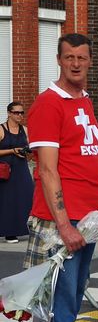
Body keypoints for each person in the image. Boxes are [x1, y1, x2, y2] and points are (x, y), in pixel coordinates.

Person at [24, 33, 98, 322]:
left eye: (82, 58)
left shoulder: (85, 101)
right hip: (62, 222)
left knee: (64, 306)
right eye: (69, 57)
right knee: (56, 309)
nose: (75, 63)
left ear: (90, 62)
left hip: (84, 221)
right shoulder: (49, 103)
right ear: (59, 60)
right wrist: (64, 224)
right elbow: (46, 169)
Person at [0, 102, 33, 243]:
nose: (19, 115)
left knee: (26, 195)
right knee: (7, 200)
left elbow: (30, 149)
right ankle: (9, 232)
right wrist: (12, 151)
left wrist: (27, 152)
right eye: (16, 113)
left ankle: (23, 228)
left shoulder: (24, 130)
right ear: (9, 113)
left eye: (21, 113)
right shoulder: (1, 129)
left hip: (21, 168)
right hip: (5, 170)